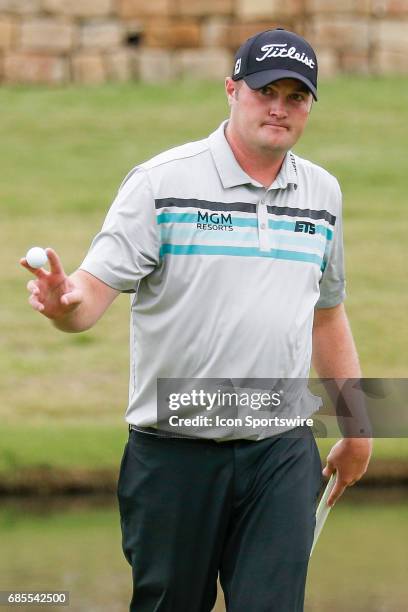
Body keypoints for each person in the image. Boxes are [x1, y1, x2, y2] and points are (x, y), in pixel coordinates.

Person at [21, 28, 372, 612]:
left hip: (281, 448)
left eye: (296, 96)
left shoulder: (323, 193)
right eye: (266, 92)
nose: (280, 108)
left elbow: (327, 315)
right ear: (232, 91)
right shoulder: (161, 183)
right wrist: (63, 304)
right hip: (174, 449)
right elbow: (88, 294)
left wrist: (359, 427)